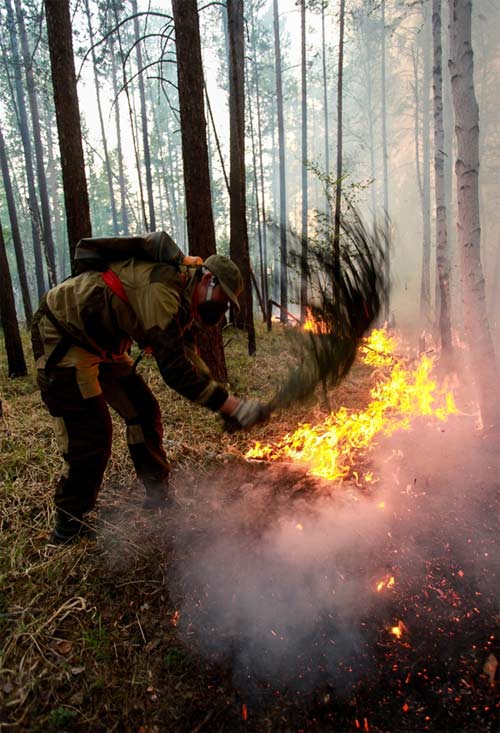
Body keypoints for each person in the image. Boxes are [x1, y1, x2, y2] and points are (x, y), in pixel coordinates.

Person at [31, 241, 270, 543]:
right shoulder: (162, 287)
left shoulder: (186, 295)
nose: (222, 311)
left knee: (143, 411)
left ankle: (157, 494)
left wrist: (225, 402)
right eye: (223, 301)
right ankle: (69, 523)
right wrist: (230, 405)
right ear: (208, 280)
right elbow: (175, 370)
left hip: (103, 343)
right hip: (63, 334)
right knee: (93, 433)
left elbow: (188, 356)